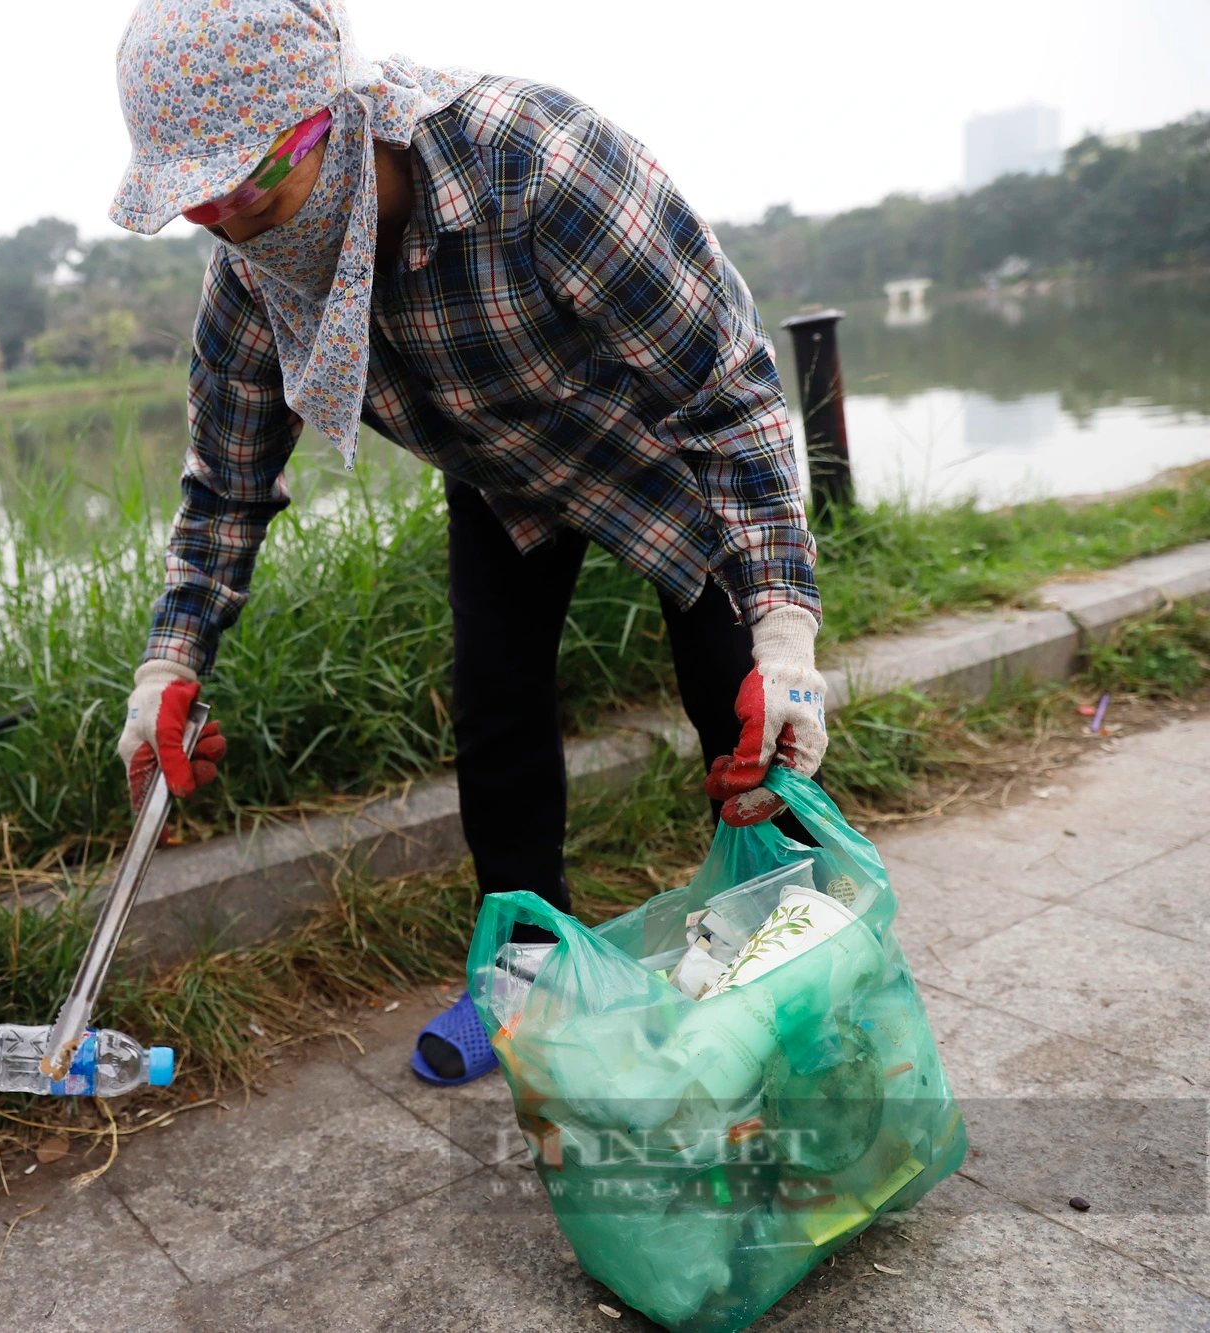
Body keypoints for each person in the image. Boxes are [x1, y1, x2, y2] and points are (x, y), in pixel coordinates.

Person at [107, 0, 828, 1085]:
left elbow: (726, 398)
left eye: (251, 179)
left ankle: (792, 958)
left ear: (336, 116)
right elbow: (224, 491)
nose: (234, 220)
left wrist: (783, 642)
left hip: (664, 455)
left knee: (743, 718)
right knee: (494, 708)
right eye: (200, 203)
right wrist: (168, 667)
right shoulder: (253, 283)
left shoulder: (537, 167)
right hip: (505, 478)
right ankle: (527, 966)